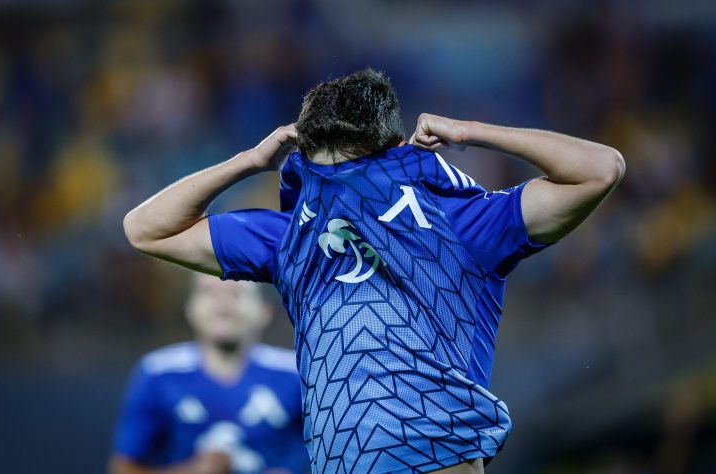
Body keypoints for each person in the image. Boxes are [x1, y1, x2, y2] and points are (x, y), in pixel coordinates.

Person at [123, 69, 625, 473]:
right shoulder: (290, 237)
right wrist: (248, 161)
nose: (343, 191)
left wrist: (470, 132)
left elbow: (601, 169)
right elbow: (146, 230)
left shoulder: (455, 221)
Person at [110, 274, 309, 474]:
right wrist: (194, 470)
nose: (222, 306)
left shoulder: (297, 374)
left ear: (264, 310)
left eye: (235, 293)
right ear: (190, 307)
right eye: (209, 292)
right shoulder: (158, 374)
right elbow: (123, 468)